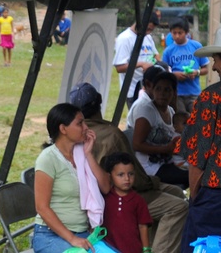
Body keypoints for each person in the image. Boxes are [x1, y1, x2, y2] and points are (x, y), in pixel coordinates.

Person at [69, 82, 188, 253]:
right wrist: (152, 183)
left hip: (99, 195)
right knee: (178, 207)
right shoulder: (110, 134)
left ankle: (149, 246)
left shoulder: (71, 136)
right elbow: (134, 178)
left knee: (175, 193)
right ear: (100, 102)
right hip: (113, 196)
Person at [32, 103, 109, 253]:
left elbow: (105, 186)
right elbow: (42, 207)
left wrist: (89, 154)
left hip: (81, 233)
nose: (86, 127)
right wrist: (72, 239)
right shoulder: (48, 159)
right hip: (50, 235)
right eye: (80, 123)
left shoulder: (81, 153)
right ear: (63, 129)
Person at [177, 32, 221, 252]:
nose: (213, 67)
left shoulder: (211, 98)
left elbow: (197, 158)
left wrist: (195, 199)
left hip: (214, 198)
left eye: (216, 60)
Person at [130, 70, 189, 188]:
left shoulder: (171, 111)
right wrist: (165, 149)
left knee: (200, 169)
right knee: (193, 175)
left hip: (168, 162)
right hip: (150, 168)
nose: (162, 93)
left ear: (174, 92)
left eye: (167, 90)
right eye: (158, 89)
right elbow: (137, 145)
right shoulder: (147, 111)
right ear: (152, 90)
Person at [101, 152, 152, 253]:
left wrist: (146, 249)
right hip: (107, 249)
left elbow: (143, 226)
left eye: (131, 174)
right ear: (109, 176)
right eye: (121, 175)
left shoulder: (138, 200)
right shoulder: (104, 198)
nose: (127, 179)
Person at [113, 13, 161, 109]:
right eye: (147, 29)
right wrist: (141, 64)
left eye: (151, 30)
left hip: (150, 88)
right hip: (133, 91)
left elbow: (156, 55)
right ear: (139, 23)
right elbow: (119, 67)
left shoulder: (147, 37)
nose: (148, 32)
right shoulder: (125, 39)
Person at [162, 18, 208, 115]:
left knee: (196, 118)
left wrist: (196, 72)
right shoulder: (168, 51)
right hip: (176, 94)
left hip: (194, 93)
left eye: (180, 33)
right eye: (174, 33)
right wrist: (174, 75)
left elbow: (205, 69)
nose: (177, 36)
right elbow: (163, 73)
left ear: (187, 32)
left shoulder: (196, 46)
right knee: (179, 120)